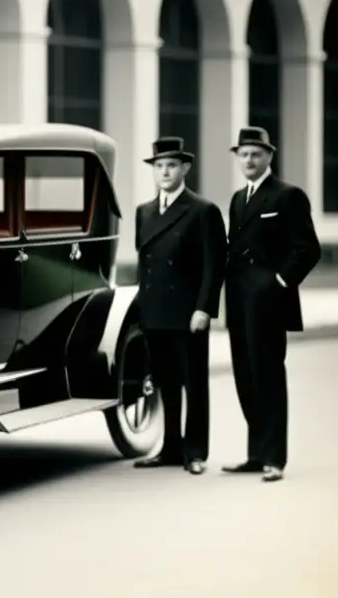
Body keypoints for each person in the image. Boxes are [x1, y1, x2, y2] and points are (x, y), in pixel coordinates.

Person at [222, 127, 321, 483]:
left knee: (268, 377)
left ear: (269, 157)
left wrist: (277, 283)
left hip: (267, 303)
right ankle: (256, 454)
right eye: (243, 155)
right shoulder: (237, 199)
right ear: (237, 158)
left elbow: (308, 249)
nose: (249, 161)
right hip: (238, 301)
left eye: (256, 155)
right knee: (245, 377)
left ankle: (274, 459)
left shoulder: (288, 196)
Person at [133, 137, 226, 475]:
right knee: (165, 383)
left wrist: (205, 309)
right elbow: (145, 265)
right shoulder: (143, 211)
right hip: (155, 311)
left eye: (171, 165)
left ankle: (196, 452)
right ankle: (171, 448)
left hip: (188, 313)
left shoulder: (203, 210)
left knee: (194, 384)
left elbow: (213, 267)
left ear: (185, 168)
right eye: (159, 166)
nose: (165, 171)